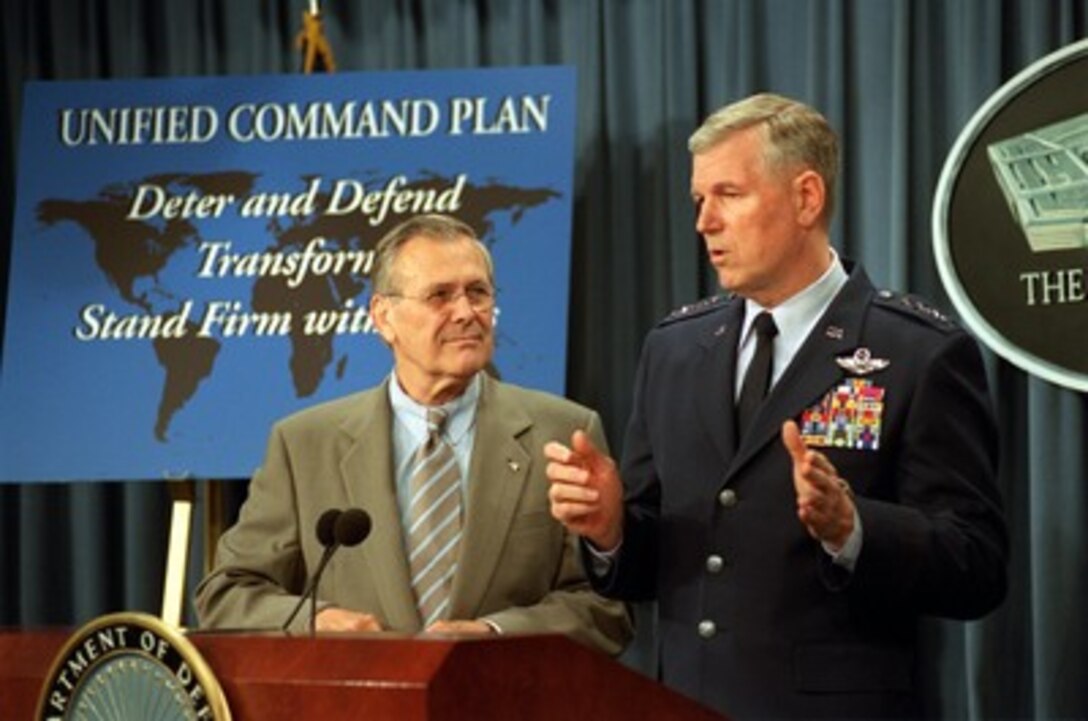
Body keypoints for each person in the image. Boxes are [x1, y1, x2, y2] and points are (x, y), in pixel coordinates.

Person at [545, 93, 1008, 717]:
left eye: (728, 195)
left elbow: (977, 566)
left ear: (806, 198)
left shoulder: (917, 351)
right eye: (699, 200)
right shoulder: (674, 349)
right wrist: (610, 529)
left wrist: (854, 529)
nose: (704, 222)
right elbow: (661, 562)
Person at [196, 213, 631, 656]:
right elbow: (226, 594)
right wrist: (317, 621)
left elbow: (606, 608)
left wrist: (495, 635)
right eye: (440, 296)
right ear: (384, 317)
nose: (466, 312)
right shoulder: (304, 444)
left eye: (477, 292)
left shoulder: (563, 431)